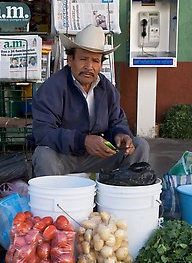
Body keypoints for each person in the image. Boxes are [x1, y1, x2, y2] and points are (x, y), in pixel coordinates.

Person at [30, 24, 149, 177]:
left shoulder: (107, 89)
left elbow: (117, 121)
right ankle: (54, 200)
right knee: (43, 155)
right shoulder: (52, 88)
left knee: (140, 146)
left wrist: (121, 134)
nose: (89, 66)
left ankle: (123, 194)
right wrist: (83, 141)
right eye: (83, 59)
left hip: (96, 156)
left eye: (95, 61)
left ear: (100, 65)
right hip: (63, 155)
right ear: (70, 59)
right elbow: (43, 133)